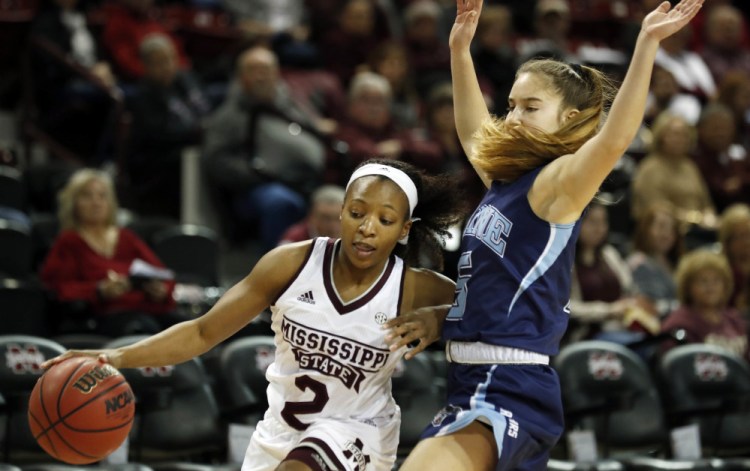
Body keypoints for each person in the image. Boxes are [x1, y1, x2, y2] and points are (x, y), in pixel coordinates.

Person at [384, 0, 704, 469]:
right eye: (511, 105)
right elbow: (473, 133)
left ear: (571, 117)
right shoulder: (504, 182)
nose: (512, 117)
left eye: (531, 107)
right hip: (470, 376)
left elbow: (614, 140)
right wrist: (459, 50)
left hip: (507, 381)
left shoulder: (558, 185)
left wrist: (647, 44)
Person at [43, 159, 468, 471]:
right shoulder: (289, 265)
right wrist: (116, 358)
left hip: (358, 433)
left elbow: (491, 314)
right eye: (357, 213)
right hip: (277, 437)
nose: (367, 227)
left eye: (385, 219)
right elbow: (201, 332)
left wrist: (440, 320)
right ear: (340, 211)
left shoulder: (416, 286)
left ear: (405, 230)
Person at [39, 169, 186, 337]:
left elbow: (163, 275)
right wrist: (99, 290)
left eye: (102, 196)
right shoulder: (69, 241)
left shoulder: (126, 237)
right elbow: (58, 289)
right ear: (73, 203)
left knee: (187, 327)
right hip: (104, 316)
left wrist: (161, 290)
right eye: (87, 196)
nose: (96, 203)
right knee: (142, 329)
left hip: (148, 308)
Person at [276, 184, 345, 246]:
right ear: (312, 216)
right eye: (326, 218)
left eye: (338, 218)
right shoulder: (291, 243)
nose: (333, 226)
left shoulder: (350, 238)